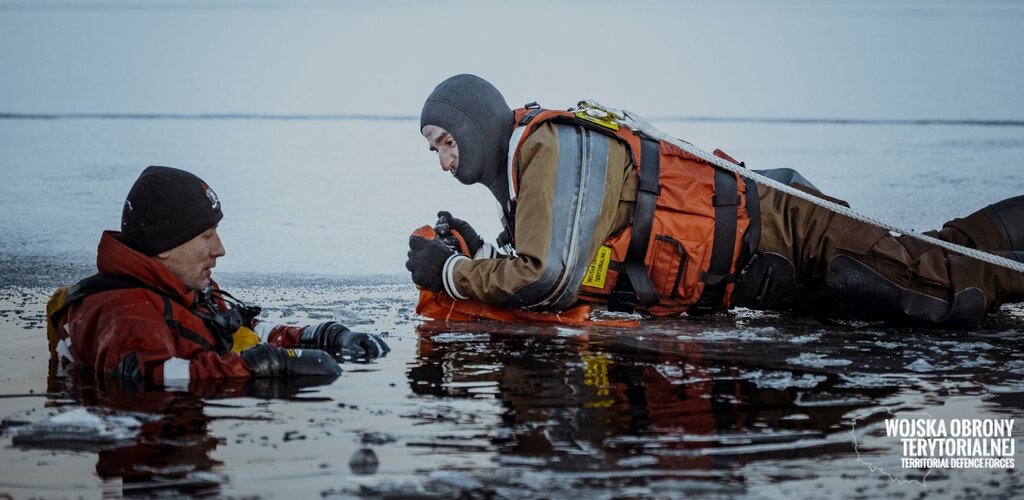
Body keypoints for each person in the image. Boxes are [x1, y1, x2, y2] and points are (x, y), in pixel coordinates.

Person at [406, 74, 1024, 329]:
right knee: (936, 264)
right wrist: (481, 251)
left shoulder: (550, 146)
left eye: (445, 142)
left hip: (784, 230)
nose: (443, 160)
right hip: (758, 270)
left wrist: (454, 274)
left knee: (945, 287)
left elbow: (549, 277)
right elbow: (553, 257)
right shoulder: (532, 174)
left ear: (476, 126)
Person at [48, 166, 389, 388]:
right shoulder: (126, 312)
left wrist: (323, 336)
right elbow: (149, 376)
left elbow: (241, 330)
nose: (220, 249)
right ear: (167, 246)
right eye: (206, 236)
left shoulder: (186, 287)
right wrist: (266, 367)